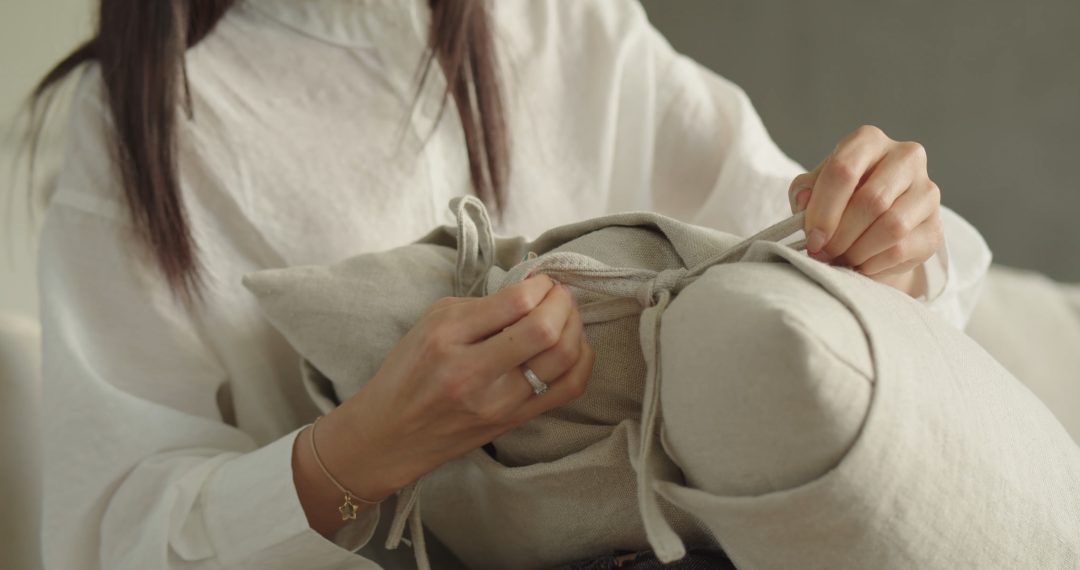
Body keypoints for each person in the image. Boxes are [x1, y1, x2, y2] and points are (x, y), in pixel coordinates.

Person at [28, 0, 991, 568]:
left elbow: (817, 273)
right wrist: (367, 446)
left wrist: (888, 252)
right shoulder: (138, 126)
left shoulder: (563, 23)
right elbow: (116, 534)